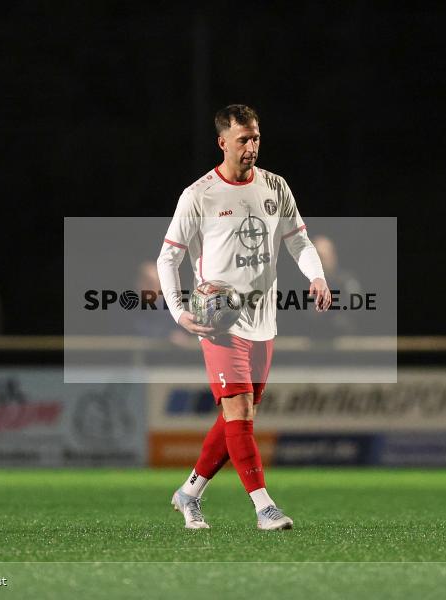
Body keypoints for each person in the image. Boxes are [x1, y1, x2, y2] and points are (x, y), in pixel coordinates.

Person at [157, 104, 331, 531]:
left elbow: (299, 241)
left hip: (264, 320)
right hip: (218, 322)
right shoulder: (199, 195)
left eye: (255, 138)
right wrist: (179, 313)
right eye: (242, 140)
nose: (251, 146)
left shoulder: (275, 187)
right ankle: (263, 506)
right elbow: (168, 258)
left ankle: (190, 492)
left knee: (238, 414)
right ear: (223, 142)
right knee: (240, 411)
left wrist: (318, 276)